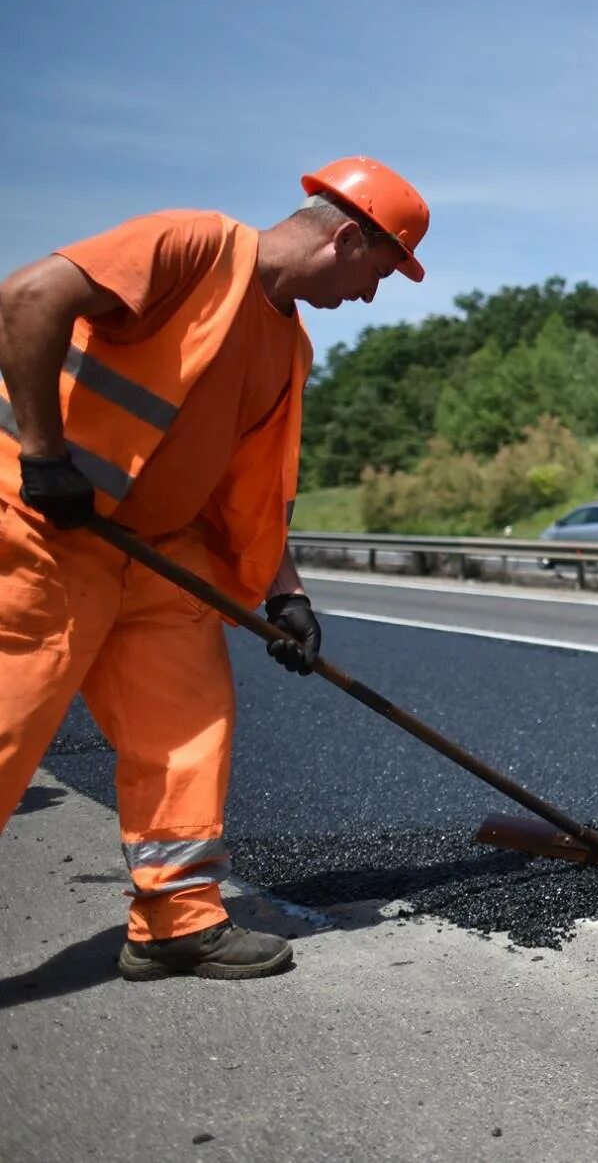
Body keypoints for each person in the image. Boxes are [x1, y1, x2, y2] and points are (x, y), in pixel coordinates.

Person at [0, 157, 431, 978]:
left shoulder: (287, 348)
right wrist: (44, 453)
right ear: (345, 237)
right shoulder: (192, 247)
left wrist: (289, 595)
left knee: (189, 732)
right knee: (5, 727)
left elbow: (251, 492)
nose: (371, 297)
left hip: (158, 558)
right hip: (43, 532)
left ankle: (177, 919)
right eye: (378, 272)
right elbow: (28, 297)